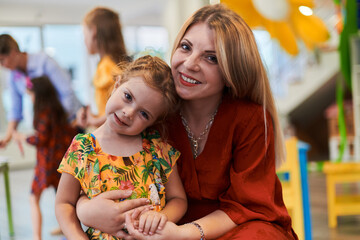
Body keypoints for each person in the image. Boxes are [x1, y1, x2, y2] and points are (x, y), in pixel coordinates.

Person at [75, 4, 298, 240]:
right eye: (185, 47)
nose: (190, 63)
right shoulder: (152, 112)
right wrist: (85, 209)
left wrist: (185, 234)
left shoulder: (249, 118)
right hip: (161, 228)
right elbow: (94, 171)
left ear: (232, 70)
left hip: (238, 228)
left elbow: (249, 206)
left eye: (211, 58)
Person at [55, 55, 187, 240]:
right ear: (117, 84)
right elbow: (64, 203)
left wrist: (161, 217)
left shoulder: (157, 149)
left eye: (143, 113)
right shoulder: (82, 148)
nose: (128, 112)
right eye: (128, 97)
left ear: (154, 121)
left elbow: (179, 199)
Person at [12, 76, 78, 240]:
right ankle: (66, 229)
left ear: (38, 94)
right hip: (60, 160)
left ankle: (36, 236)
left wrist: (23, 138)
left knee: (33, 197)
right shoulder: (58, 110)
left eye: (30, 95)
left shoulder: (43, 113)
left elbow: (41, 139)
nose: (30, 98)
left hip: (46, 162)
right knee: (63, 199)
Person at [0, 34, 82, 148]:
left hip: (69, 121)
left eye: (2, 60)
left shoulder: (44, 61)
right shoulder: (13, 76)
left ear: (13, 52)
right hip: (48, 126)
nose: (2, 65)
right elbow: (15, 109)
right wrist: (7, 137)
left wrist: (56, 124)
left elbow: (67, 93)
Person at [76, 7, 130, 129]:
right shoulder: (112, 64)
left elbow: (121, 110)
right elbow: (109, 109)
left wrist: (93, 121)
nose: (84, 40)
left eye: (85, 34)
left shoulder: (107, 67)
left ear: (93, 32)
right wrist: (94, 117)